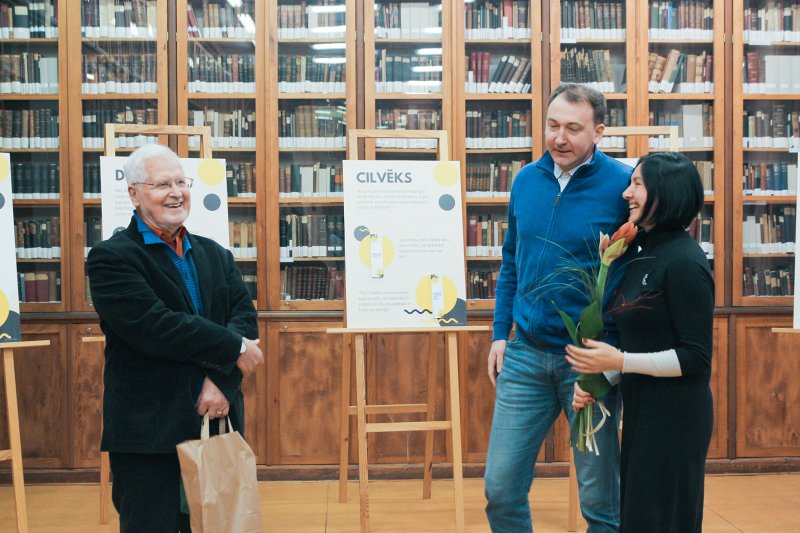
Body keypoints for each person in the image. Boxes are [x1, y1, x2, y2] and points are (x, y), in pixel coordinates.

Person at [87, 143, 264, 532]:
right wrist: (233, 348)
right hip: (151, 432)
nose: (175, 192)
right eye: (161, 183)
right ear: (133, 193)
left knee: (222, 525)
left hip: (217, 422)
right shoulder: (111, 259)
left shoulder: (216, 254)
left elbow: (244, 319)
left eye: (181, 182)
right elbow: (156, 326)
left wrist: (220, 382)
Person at [484, 83, 633, 532]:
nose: (559, 138)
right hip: (526, 354)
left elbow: (632, 277)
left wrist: (608, 359)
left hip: (587, 359)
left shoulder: (623, 186)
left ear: (599, 131)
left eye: (573, 128)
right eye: (552, 125)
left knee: (600, 502)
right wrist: (499, 333)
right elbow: (512, 260)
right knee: (500, 489)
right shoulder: (526, 180)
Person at [567, 152, 714, 532]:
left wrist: (617, 363)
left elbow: (695, 358)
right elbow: (642, 344)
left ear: (664, 193)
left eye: (637, 184)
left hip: (676, 419)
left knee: (663, 521)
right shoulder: (638, 250)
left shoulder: (685, 261)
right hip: (642, 411)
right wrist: (601, 382)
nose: (625, 193)